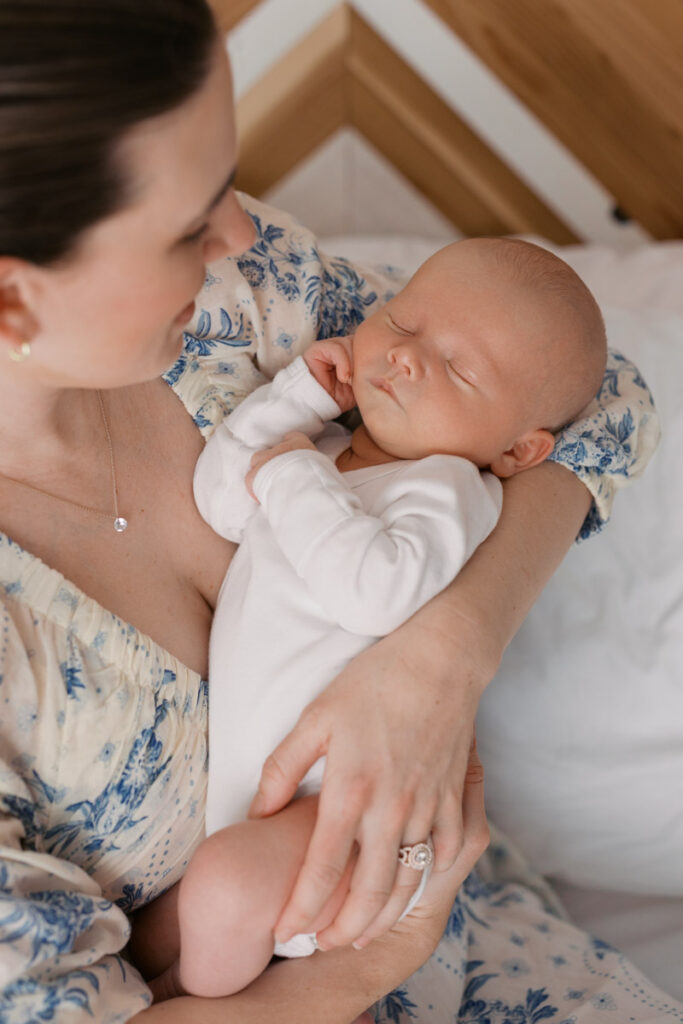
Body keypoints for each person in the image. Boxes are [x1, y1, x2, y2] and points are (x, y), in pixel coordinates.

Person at [0, 2, 672, 1022]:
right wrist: (368, 966)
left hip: (487, 936)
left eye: (231, 180)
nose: (241, 231)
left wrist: (448, 649)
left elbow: (595, 396)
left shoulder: (243, 302)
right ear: (14, 302)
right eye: (191, 222)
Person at [129, 236, 608, 1002]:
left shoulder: (448, 492)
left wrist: (292, 472)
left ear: (518, 449)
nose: (407, 358)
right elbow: (220, 500)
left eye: (458, 369)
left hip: (344, 816)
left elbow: (373, 590)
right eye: (404, 321)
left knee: (220, 890)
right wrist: (302, 398)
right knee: (192, 902)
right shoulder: (325, 453)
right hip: (271, 805)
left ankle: (201, 1002)